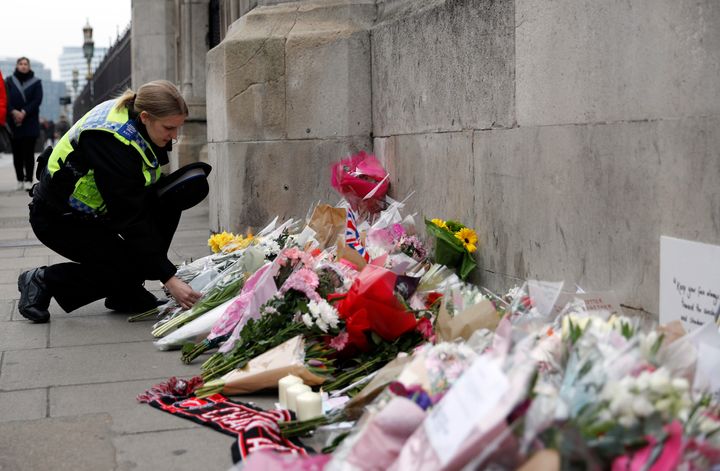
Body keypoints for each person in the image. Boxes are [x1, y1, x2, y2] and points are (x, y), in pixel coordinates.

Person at [17, 80, 211, 323]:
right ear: (145, 117)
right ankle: (42, 280)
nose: (175, 136)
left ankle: (125, 293)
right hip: (58, 219)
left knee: (170, 199)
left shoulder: (135, 119)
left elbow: (138, 195)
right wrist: (169, 278)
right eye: (169, 128)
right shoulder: (111, 142)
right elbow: (130, 217)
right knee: (126, 266)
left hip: (95, 214)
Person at [5, 57, 43, 190]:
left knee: (28, 153)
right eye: (20, 64)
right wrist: (13, 112)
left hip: (30, 121)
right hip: (13, 122)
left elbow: (37, 100)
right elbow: (6, 98)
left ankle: (28, 179)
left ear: (29, 66)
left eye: (25, 64)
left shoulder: (37, 82)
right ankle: (19, 179)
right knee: (17, 153)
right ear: (17, 66)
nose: (23, 66)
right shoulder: (9, 81)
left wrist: (24, 112)